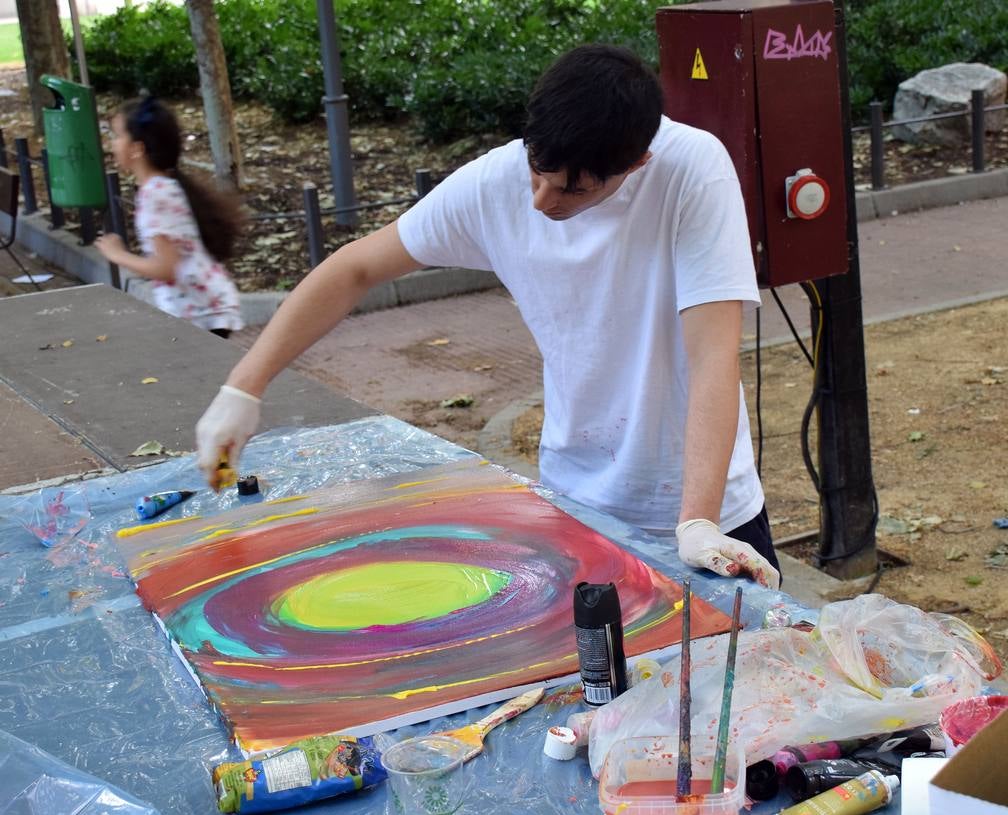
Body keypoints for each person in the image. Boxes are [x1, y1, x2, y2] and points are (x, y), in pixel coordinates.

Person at [195, 44, 781, 589]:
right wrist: (244, 385)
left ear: (636, 163)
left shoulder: (691, 169)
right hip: (577, 506)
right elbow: (354, 268)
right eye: (537, 171)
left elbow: (712, 354)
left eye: (571, 190)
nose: (541, 200)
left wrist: (698, 522)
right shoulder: (496, 182)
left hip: (705, 519)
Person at [96, 96, 244, 338]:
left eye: (117, 136)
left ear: (137, 148)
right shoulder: (162, 187)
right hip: (200, 308)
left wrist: (118, 255)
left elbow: (165, 268)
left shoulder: (156, 194)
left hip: (199, 313)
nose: (112, 144)